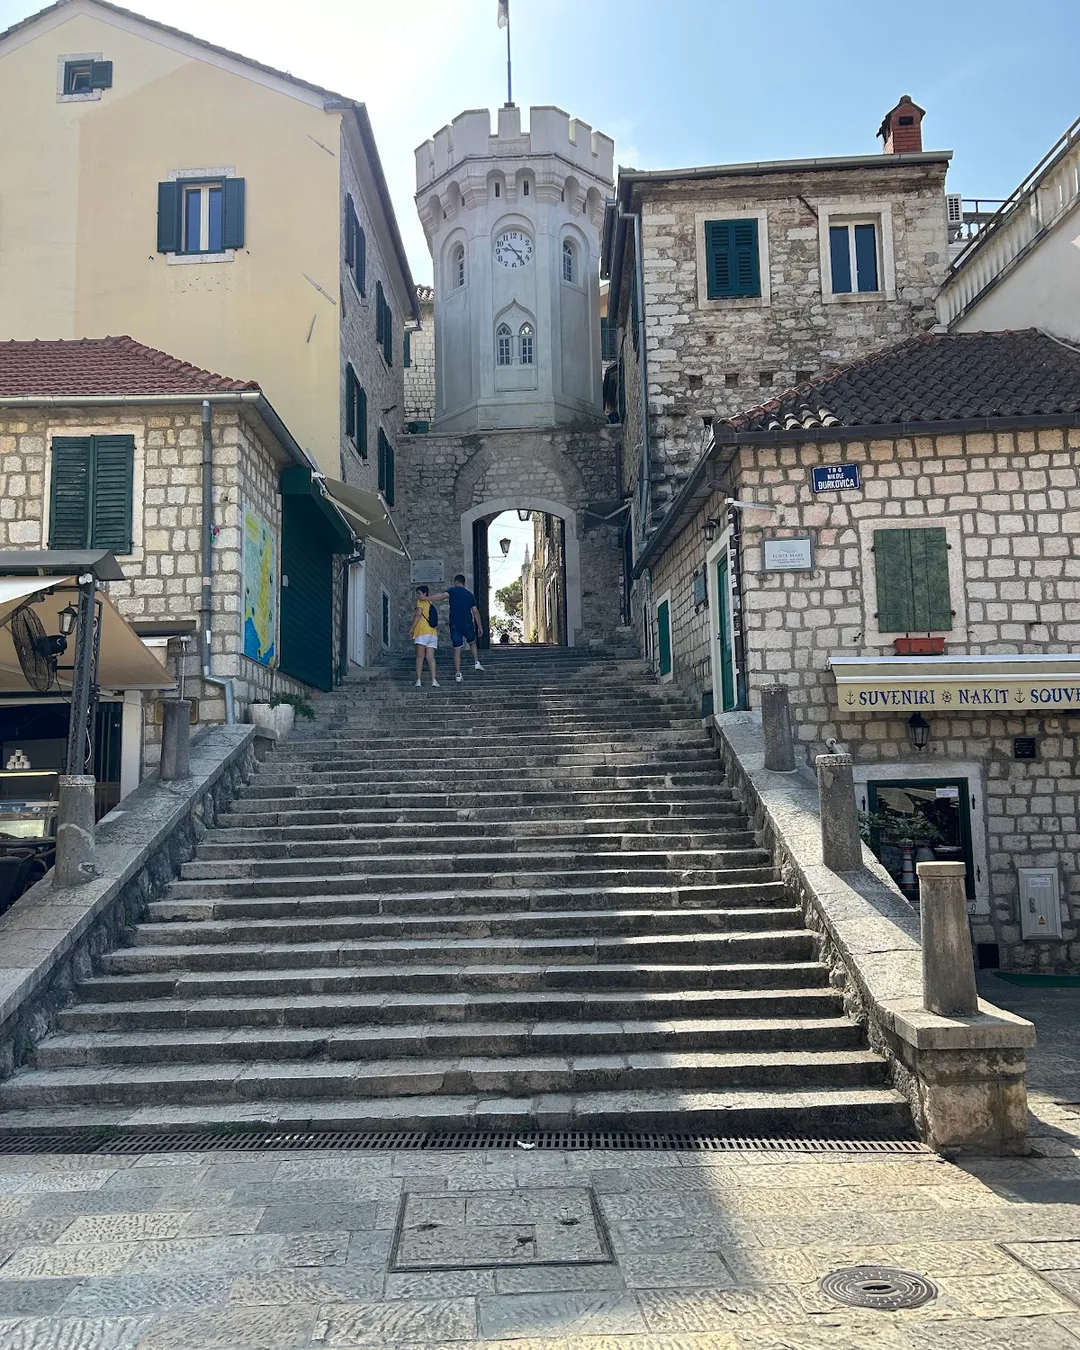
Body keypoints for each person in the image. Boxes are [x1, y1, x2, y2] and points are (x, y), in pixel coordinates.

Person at [426, 574, 485, 682]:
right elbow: (475, 612)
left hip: (455, 624)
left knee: (457, 649)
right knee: (472, 642)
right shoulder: (470, 595)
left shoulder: (452, 591)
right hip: (467, 623)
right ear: (464, 583)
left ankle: (458, 673)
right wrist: (480, 627)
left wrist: (427, 598)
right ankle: (476, 662)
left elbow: (441, 596)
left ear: (455, 582)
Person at [410, 584, 440, 689]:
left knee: (420, 657)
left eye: (419, 593)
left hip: (422, 631)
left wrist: (412, 629)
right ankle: (434, 680)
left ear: (425, 594)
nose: (418, 596)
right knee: (430, 657)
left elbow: (418, 614)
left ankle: (418, 680)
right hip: (432, 633)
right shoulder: (430, 603)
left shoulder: (421, 602)